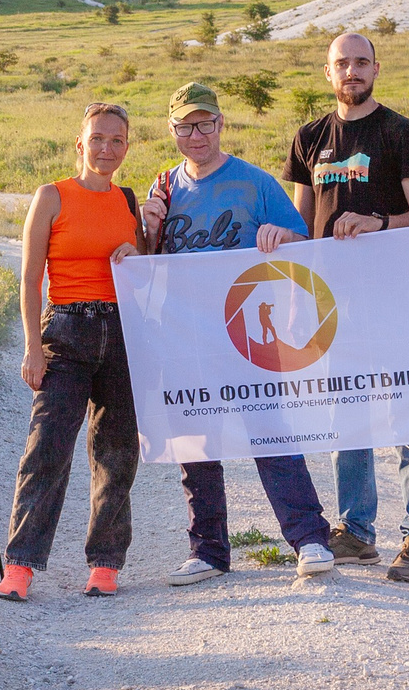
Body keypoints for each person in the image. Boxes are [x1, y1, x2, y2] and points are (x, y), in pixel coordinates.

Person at [129, 82, 336, 585]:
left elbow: (302, 241)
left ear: (221, 124)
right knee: (196, 442)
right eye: (185, 126)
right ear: (172, 130)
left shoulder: (254, 183)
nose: (196, 135)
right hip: (184, 335)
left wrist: (284, 235)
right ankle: (208, 550)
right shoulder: (164, 187)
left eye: (205, 124)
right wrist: (145, 229)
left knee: (270, 432)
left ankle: (309, 538)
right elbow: (147, 264)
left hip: (245, 333)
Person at [281, 32, 409, 584]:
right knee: (345, 415)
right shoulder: (309, 137)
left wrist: (377, 223)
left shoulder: (401, 132)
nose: (351, 71)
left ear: (376, 68)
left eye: (360, 62)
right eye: (341, 63)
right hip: (331, 302)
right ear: (328, 73)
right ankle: (355, 532)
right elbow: (304, 226)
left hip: (393, 297)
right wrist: (293, 287)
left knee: (407, 417)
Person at [0, 102, 144, 603]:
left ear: (127, 147)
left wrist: (137, 253)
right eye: (97, 138)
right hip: (65, 331)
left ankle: (105, 563)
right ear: (80, 144)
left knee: (116, 453)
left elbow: (145, 268)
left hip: (121, 333)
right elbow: (29, 278)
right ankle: (20, 565)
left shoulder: (128, 201)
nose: (106, 148)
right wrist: (32, 348)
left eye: (116, 140)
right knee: (47, 449)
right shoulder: (52, 196)